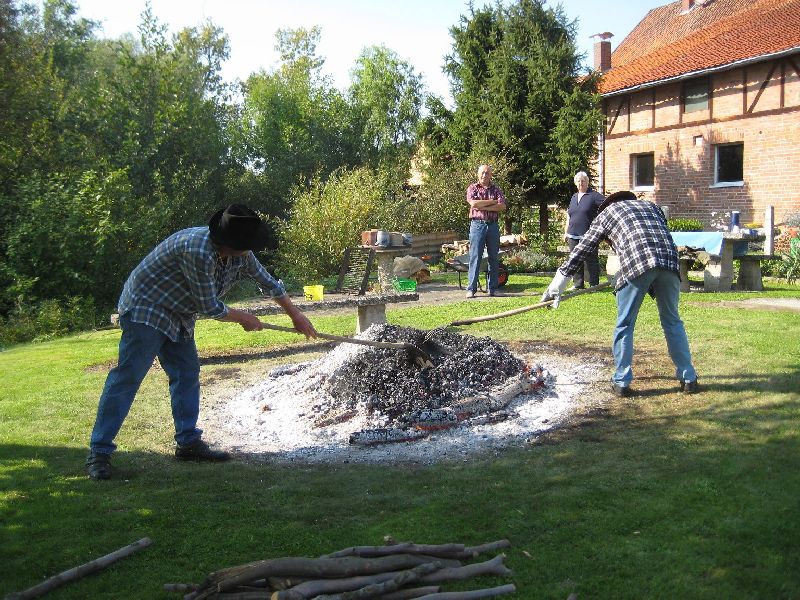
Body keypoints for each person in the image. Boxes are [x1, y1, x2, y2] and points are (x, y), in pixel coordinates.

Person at [85, 204, 318, 480]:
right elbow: (208, 306)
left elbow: (269, 283)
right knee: (129, 376)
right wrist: (243, 317)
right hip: (146, 308)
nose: (251, 249)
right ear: (230, 242)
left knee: (186, 373)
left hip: (179, 313)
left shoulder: (242, 255)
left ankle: (188, 444)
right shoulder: (197, 250)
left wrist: (296, 315)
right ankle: (99, 453)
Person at [541, 191, 698, 397]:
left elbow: (582, 249)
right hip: (669, 263)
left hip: (637, 265)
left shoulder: (607, 214)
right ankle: (688, 378)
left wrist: (556, 286)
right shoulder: (652, 207)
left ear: (608, 205)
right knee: (672, 321)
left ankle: (622, 381)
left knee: (625, 323)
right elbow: (655, 241)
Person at [465, 164, 507, 298]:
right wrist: (492, 202)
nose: (484, 175)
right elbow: (474, 204)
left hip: (493, 226)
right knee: (475, 257)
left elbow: (501, 206)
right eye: (482, 173)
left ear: (491, 175)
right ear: (478, 174)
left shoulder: (496, 189)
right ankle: (471, 289)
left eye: (487, 173)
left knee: (493, 258)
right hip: (477, 225)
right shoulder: (472, 188)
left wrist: (483, 205)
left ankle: (493, 288)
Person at [563, 171, 605, 290]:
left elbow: (606, 205)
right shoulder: (574, 197)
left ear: (587, 182)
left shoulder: (594, 196)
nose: (581, 183)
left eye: (583, 181)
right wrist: (566, 231)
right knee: (575, 259)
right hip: (573, 234)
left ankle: (594, 285)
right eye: (579, 181)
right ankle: (578, 284)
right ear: (576, 183)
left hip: (589, 235)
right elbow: (569, 214)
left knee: (591, 260)